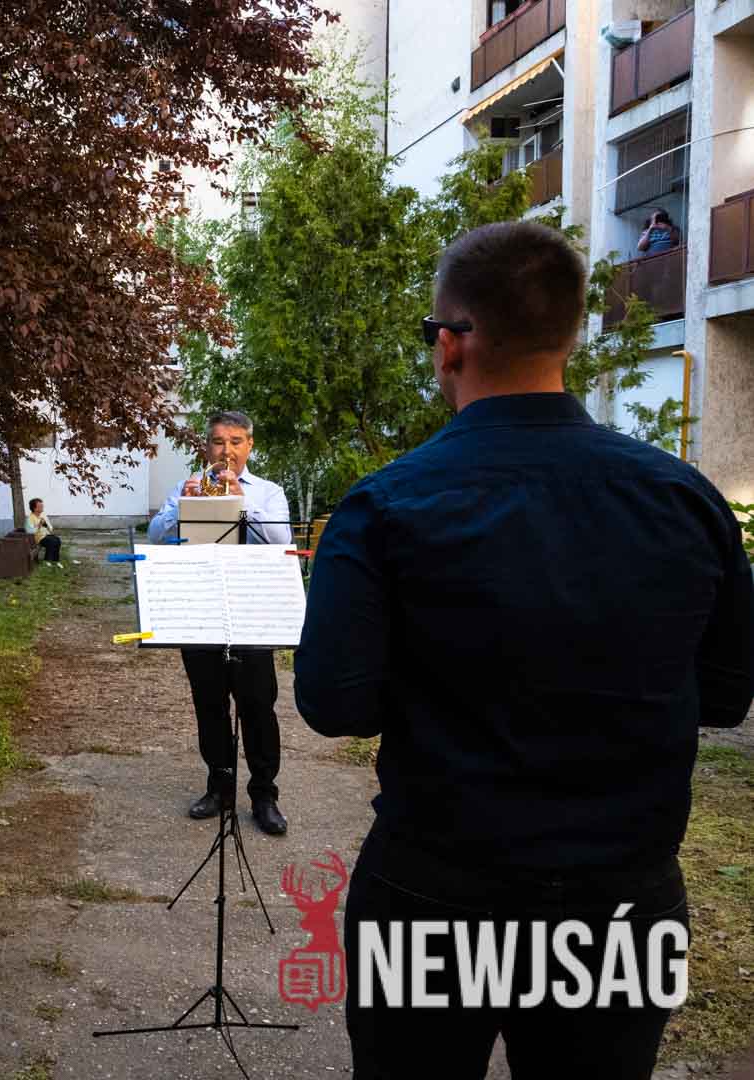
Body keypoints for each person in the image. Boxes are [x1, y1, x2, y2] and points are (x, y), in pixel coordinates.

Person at [295, 221, 754, 1079]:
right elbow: (727, 696)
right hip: (624, 906)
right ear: (569, 337)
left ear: (452, 344)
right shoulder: (688, 500)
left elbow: (334, 704)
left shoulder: (384, 506)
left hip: (435, 897)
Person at [147, 411, 291, 835]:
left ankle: (264, 794)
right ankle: (219, 787)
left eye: (235, 441)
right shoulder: (186, 486)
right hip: (201, 607)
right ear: (206, 446)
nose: (226, 451)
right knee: (209, 704)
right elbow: (155, 535)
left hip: (251, 611)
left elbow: (281, 541)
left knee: (258, 706)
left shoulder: (268, 493)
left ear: (250, 446)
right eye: (217, 442)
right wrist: (184, 505)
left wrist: (241, 501)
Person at [27, 498, 61, 565]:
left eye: (42, 505)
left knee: (57, 540)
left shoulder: (42, 515)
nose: (42, 507)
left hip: (46, 535)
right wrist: (39, 525)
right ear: (35, 508)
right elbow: (31, 531)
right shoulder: (30, 518)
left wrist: (45, 524)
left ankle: (55, 560)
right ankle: (47, 561)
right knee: (51, 541)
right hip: (38, 538)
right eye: (40, 506)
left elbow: (50, 528)